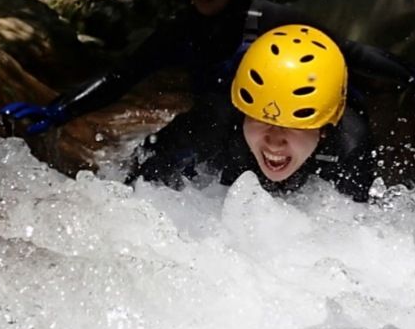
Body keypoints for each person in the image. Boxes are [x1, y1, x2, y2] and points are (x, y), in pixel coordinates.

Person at [0, 0, 415, 181]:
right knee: (151, 167)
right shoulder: (180, 30)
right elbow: (125, 75)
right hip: (227, 125)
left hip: (298, 128)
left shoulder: (275, 21)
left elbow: (347, 53)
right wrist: (61, 109)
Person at [140, 24, 377, 202]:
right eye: (261, 119)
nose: (274, 140)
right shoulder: (212, 125)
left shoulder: (350, 144)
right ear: (243, 113)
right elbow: (141, 186)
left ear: (324, 129)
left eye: (294, 125)